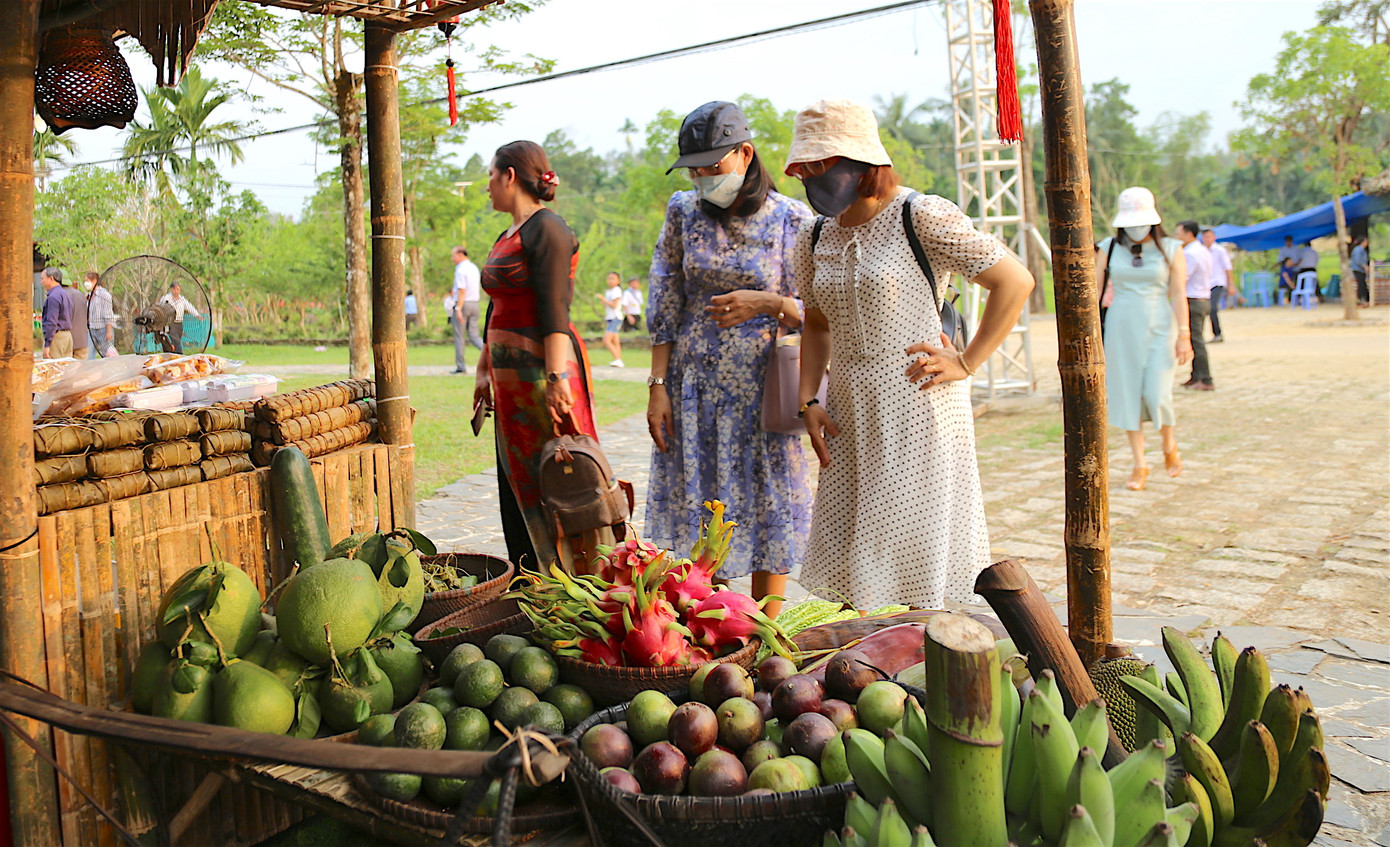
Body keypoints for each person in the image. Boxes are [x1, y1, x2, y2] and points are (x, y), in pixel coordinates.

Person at [788, 99, 1033, 610]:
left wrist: (966, 361)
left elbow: (1013, 281)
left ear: (861, 164)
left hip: (918, 405)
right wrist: (808, 399)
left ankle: (922, 656)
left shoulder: (920, 216)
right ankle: (869, 662)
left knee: (911, 547)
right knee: (858, 553)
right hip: (850, 412)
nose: (810, 177)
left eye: (822, 165)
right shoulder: (813, 236)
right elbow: (814, 321)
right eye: (803, 168)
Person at [645, 100, 814, 616]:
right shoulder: (683, 212)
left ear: (745, 153)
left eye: (712, 166)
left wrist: (771, 304)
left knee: (769, 503)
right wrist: (657, 387)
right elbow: (665, 299)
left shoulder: (793, 219)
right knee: (706, 500)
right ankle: (713, 619)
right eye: (693, 169)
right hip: (695, 388)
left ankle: (767, 625)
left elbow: (825, 309)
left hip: (767, 391)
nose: (701, 177)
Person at [472, 140, 602, 570]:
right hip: (510, 382)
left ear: (510, 176)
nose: (487, 186)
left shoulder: (548, 228)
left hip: (545, 375)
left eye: (492, 175)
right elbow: (496, 310)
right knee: (520, 479)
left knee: (563, 476)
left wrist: (554, 378)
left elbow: (555, 308)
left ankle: (579, 582)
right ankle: (532, 580)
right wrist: (483, 371)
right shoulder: (505, 234)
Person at [1095, 187, 1193, 491]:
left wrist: (1184, 335)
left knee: (1157, 393)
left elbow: (1178, 294)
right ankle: (1140, 463)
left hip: (1160, 326)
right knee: (1126, 396)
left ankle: (1168, 443)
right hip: (1122, 326)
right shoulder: (1108, 248)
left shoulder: (1172, 249)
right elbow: (1094, 295)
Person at [1177, 221, 1214, 391]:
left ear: (1188, 233)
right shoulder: (1203, 250)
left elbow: (1182, 277)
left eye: (1179, 233)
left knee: (1196, 341)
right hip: (1204, 298)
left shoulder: (1190, 254)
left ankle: (1205, 378)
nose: (1178, 237)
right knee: (1194, 339)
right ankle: (1196, 375)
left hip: (1193, 299)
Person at [452, 245, 484, 373]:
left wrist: (458, 308)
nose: (452, 258)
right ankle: (491, 356)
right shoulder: (474, 267)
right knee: (474, 336)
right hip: (475, 304)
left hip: (463, 304)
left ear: (460, 254)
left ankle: (461, 366)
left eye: (453, 255)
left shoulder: (461, 269)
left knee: (459, 336)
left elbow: (461, 290)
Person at [1202, 229, 1232, 341]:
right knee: (1204, 309)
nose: (1207, 239)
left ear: (1214, 237)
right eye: (1205, 237)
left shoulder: (1220, 250)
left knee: (1212, 308)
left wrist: (1230, 284)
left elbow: (1228, 267)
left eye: (1209, 237)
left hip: (1218, 282)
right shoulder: (1202, 251)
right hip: (1205, 284)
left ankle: (1218, 334)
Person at [157, 282, 200, 354]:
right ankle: (180, 356)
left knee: (176, 341)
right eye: (175, 289)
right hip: (171, 324)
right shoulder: (166, 298)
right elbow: (159, 308)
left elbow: (189, 307)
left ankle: (173, 356)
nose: (177, 291)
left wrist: (197, 315)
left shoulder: (182, 299)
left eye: (178, 289)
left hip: (179, 323)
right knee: (176, 341)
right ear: (171, 289)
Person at [40, 268, 73, 359]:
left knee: (53, 368)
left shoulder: (53, 297)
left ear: (51, 279)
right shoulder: (65, 294)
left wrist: (47, 344)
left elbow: (51, 322)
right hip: (67, 336)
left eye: (42, 278)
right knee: (65, 368)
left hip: (56, 337)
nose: (41, 282)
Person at [596, 271, 625, 367]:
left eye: (613, 279)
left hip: (615, 318)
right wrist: (601, 300)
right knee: (615, 341)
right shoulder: (608, 291)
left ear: (618, 281)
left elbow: (614, 305)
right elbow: (606, 306)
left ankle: (617, 359)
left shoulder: (617, 290)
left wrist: (603, 299)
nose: (610, 281)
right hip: (610, 318)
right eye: (609, 278)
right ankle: (618, 359)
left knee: (606, 340)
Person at [85, 271, 116, 357]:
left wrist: (109, 331)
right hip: (92, 328)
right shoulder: (89, 295)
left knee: (107, 354)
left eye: (87, 280)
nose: (86, 283)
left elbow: (108, 314)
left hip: (103, 328)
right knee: (89, 354)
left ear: (94, 280)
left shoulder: (104, 294)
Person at [62, 272, 89, 360]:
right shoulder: (80, 294)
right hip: (82, 340)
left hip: (64, 342)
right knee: (81, 370)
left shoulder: (57, 296)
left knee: (64, 370)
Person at [1351, 235, 1370, 307]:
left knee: (1363, 284)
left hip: (1361, 270)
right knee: (1361, 284)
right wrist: (1364, 266)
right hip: (1358, 269)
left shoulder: (1362, 250)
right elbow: (1358, 260)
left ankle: (1364, 299)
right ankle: (1361, 300)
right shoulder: (1358, 250)